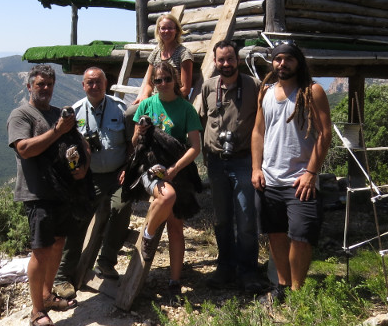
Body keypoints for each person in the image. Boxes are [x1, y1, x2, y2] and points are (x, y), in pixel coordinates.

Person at [7, 64, 86, 326]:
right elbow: (24, 149)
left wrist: (81, 167)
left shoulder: (56, 114)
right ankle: (37, 311)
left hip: (61, 192)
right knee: (40, 251)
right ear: (29, 86)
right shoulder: (21, 114)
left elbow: (73, 146)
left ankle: (47, 294)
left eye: (49, 85)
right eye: (40, 84)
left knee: (58, 244)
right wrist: (57, 131)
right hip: (36, 193)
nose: (46, 89)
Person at [251, 42, 332, 301]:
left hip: (300, 180)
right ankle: (282, 287)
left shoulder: (312, 91)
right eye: (277, 59)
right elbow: (258, 132)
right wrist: (255, 168)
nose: (282, 64)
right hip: (270, 178)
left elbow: (325, 133)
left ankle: (298, 291)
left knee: (300, 236)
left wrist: (311, 172)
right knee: (275, 234)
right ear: (272, 63)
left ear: (298, 62)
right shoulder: (265, 92)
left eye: (288, 59)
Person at [52, 67, 133, 298]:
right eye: (90, 83)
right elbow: (66, 148)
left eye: (98, 82)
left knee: (121, 207)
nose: (94, 86)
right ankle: (63, 276)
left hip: (118, 173)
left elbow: (131, 143)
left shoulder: (120, 108)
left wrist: (128, 168)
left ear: (106, 83)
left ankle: (106, 260)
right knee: (78, 221)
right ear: (83, 85)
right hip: (88, 177)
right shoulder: (75, 112)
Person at [132, 61, 202, 299]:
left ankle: (174, 281)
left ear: (175, 80)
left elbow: (195, 147)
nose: (162, 84)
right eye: (158, 80)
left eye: (167, 79)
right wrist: (140, 134)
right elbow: (134, 143)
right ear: (153, 83)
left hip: (176, 170)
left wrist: (174, 169)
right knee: (168, 196)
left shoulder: (186, 109)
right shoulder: (146, 105)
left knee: (175, 225)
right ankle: (149, 237)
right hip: (149, 168)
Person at [198, 40, 262, 294]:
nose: (226, 64)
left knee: (246, 218)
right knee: (222, 219)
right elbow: (202, 119)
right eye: (221, 60)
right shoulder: (208, 87)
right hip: (215, 161)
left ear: (238, 59)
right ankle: (225, 266)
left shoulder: (253, 86)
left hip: (244, 159)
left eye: (230, 59)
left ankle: (248, 271)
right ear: (215, 61)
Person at [133, 13, 194, 104]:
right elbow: (149, 83)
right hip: (154, 100)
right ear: (158, 30)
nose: (166, 31)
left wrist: (165, 101)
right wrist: (145, 95)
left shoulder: (184, 54)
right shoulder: (156, 52)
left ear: (176, 30)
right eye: (163, 28)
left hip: (175, 102)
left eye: (170, 28)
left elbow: (185, 89)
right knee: (129, 113)